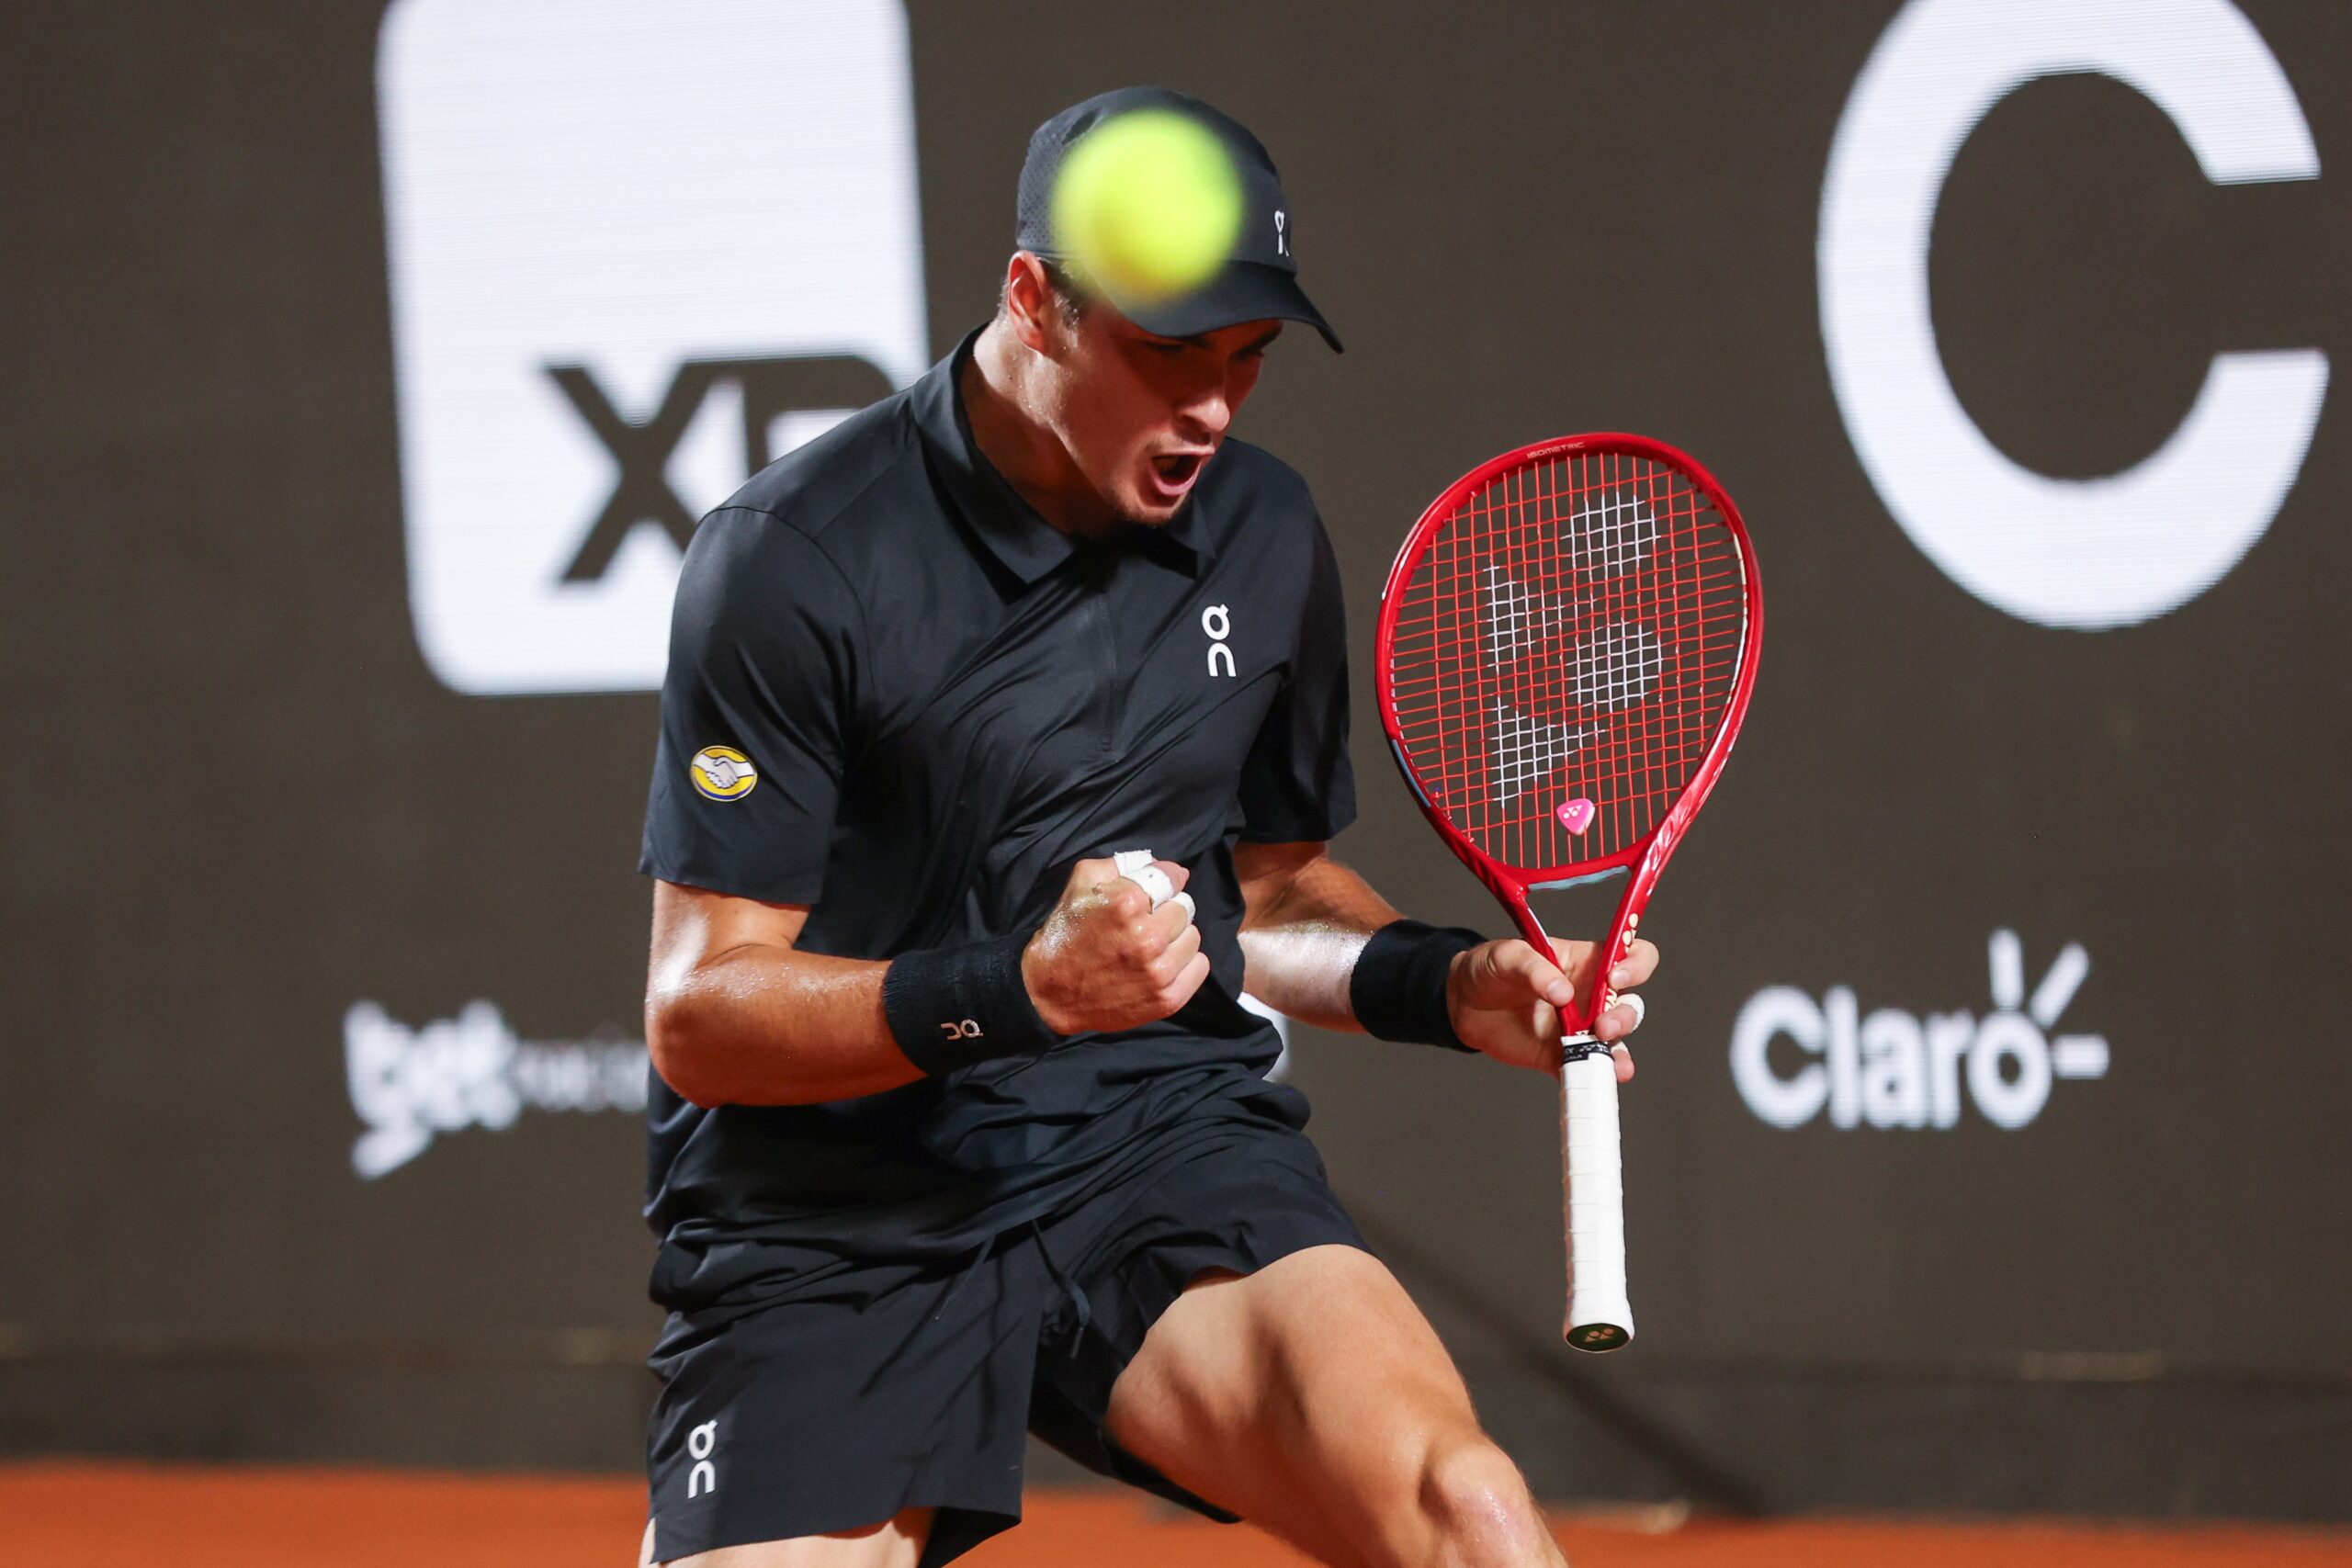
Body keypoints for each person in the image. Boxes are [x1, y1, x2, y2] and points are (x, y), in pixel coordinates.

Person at [634, 86, 1657, 1568]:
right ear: (1036, 301)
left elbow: (1267, 903)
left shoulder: (1263, 530)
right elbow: (701, 1017)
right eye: (1171, 353)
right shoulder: (793, 562)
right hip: (833, 1218)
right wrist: (1023, 991)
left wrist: (1450, 984)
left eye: (1248, 360)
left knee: (1471, 1518)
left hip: (1148, 1148)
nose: (1216, 409)